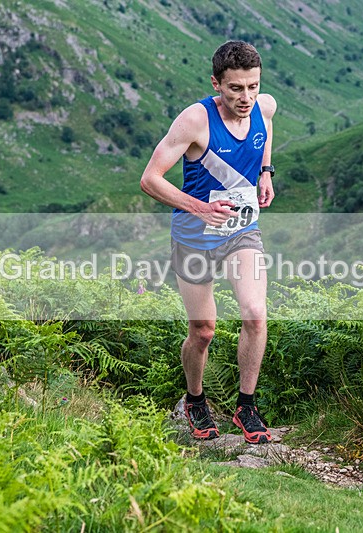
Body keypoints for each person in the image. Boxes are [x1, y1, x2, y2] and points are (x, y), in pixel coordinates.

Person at [140, 40, 276, 444]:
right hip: (194, 236)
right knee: (203, 331)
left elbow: (266, 126)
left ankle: (246, 406)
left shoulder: (264, 106)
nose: (246, 97)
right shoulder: (195, 121)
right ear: (216, 83)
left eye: (252, 86)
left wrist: (265, 171)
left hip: (241, 231)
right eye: (235, 88)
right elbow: (150, 179)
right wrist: (201, 208)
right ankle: (195, 400)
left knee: (254, 313)